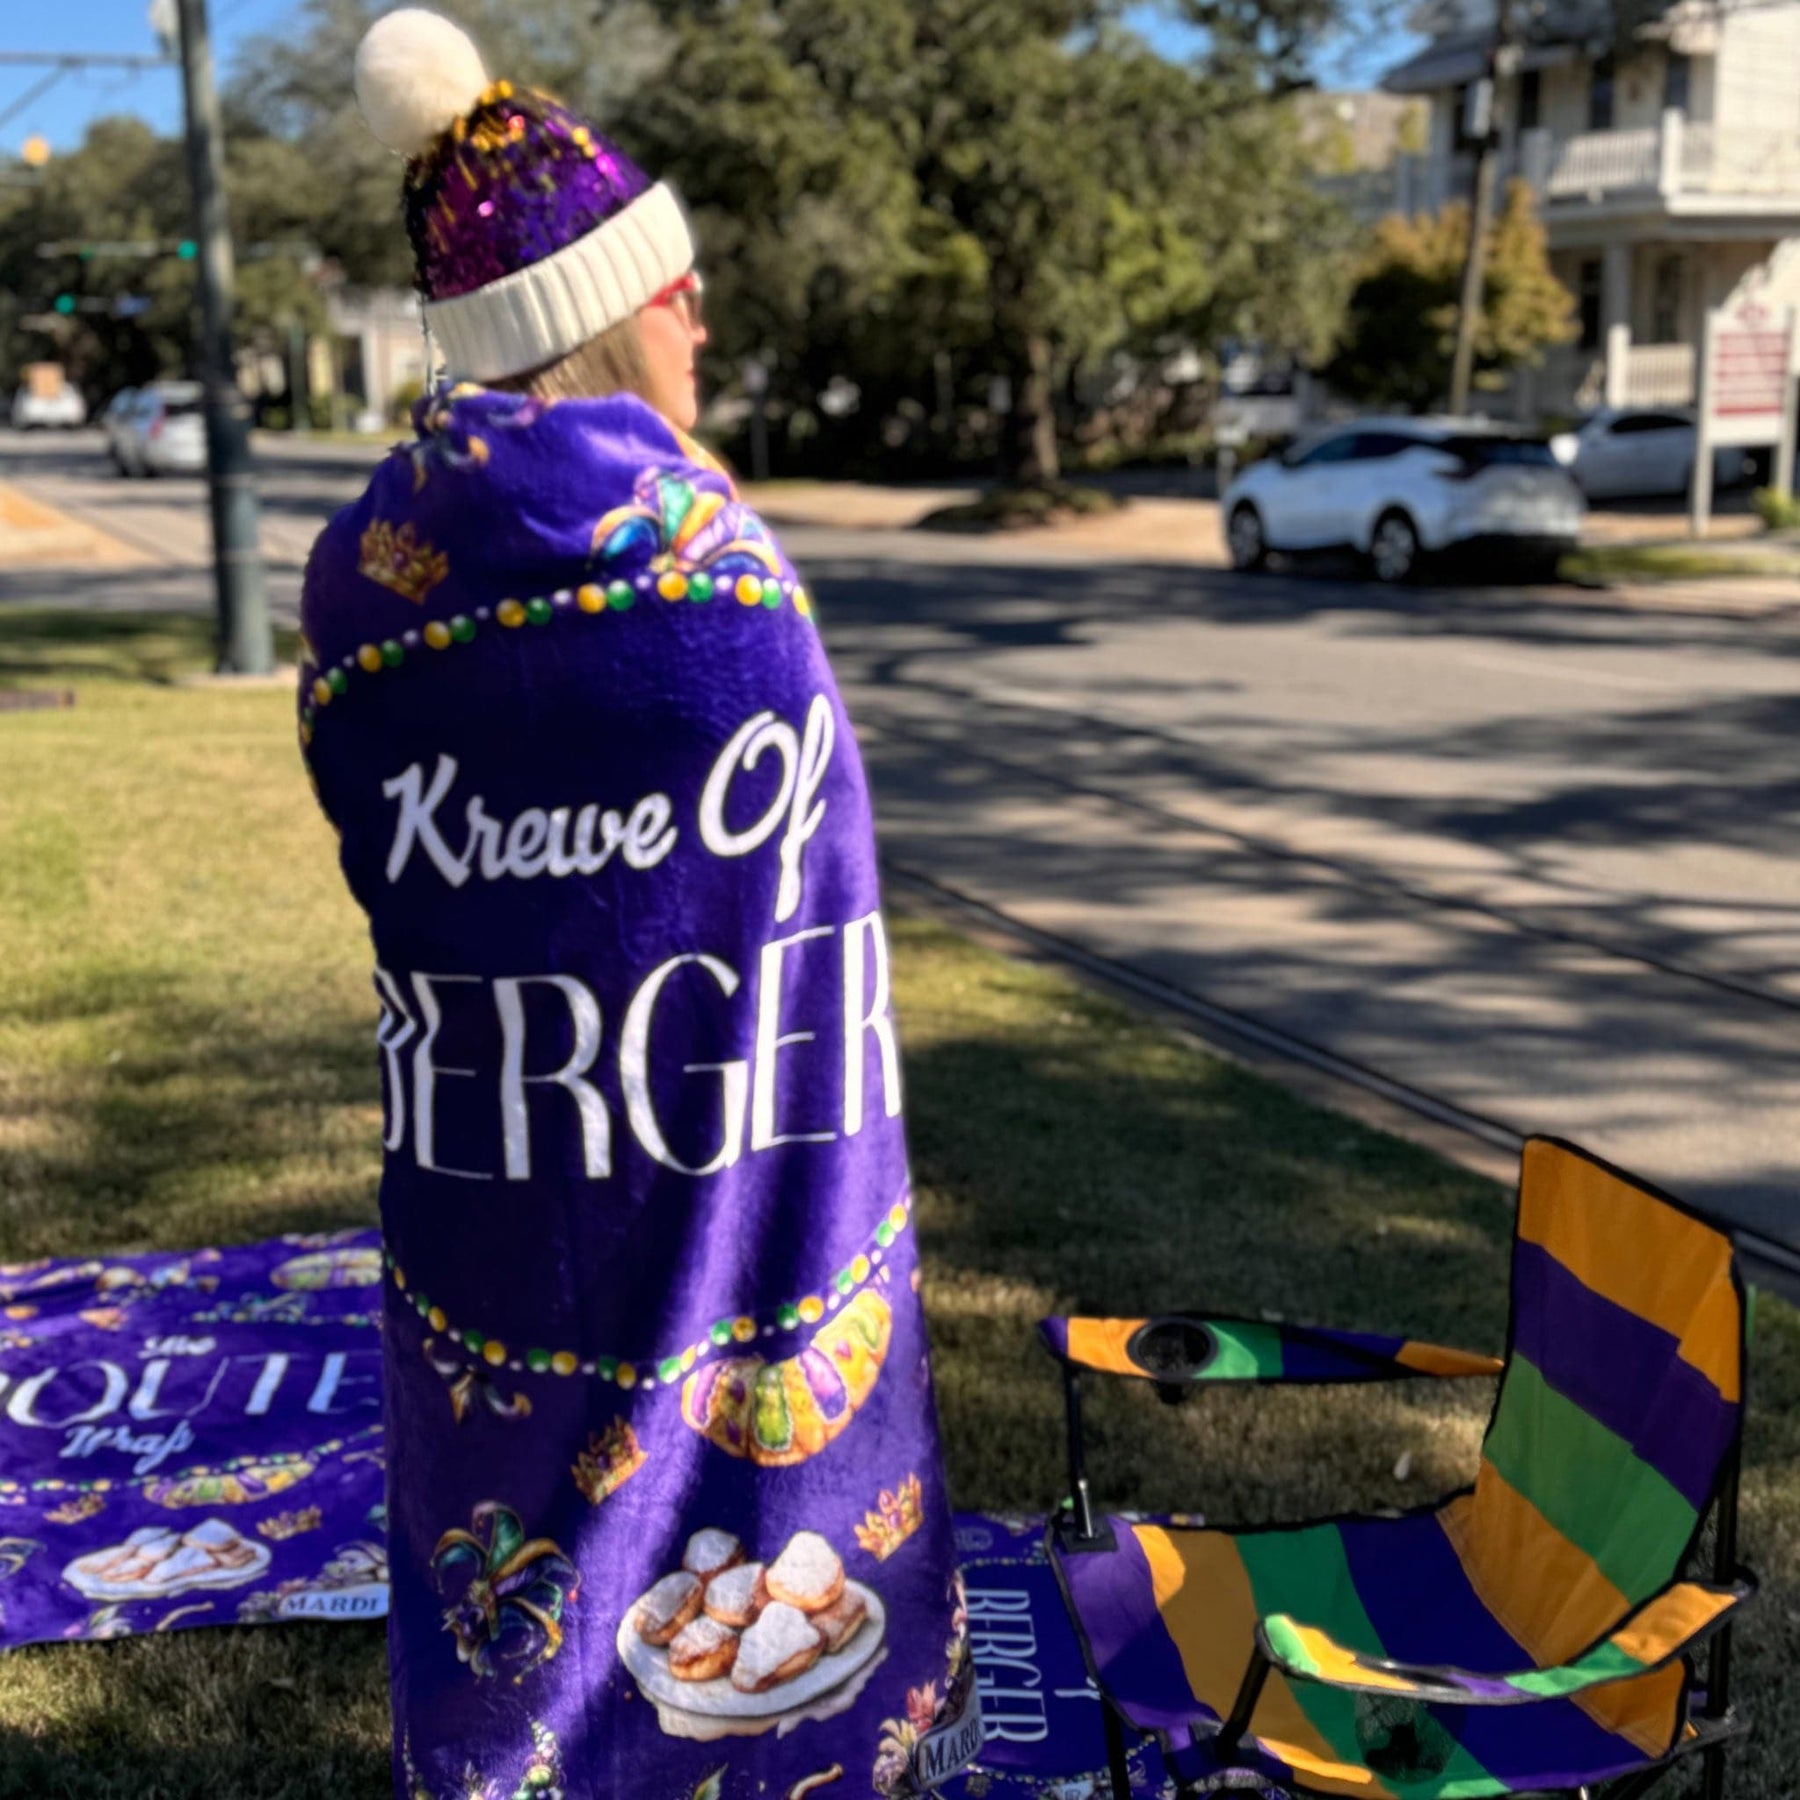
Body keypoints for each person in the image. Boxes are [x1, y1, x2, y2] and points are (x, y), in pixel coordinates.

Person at [298, 12, 982, 1797]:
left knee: (504, 1535)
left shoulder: (362, 581)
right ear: (606, 312)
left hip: (492, 1195)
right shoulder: (701, 563)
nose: (706, 324)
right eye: (680, 292)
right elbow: (797, 894)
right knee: (764, 1601)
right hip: (725, 1191)